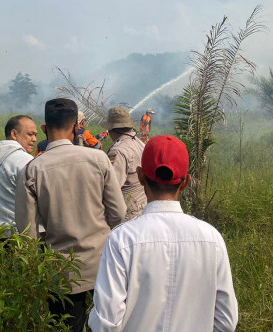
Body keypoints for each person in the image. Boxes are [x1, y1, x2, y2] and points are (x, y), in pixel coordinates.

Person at [89, 135, 239, 332]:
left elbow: (105, 323)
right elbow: (226, 321)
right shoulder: (212, 239)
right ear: (186, 182)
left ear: (141, 176)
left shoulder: (122, 239)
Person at [15, 98, 126, 332]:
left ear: (45, 129)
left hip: (61, 272)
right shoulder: (99, 159)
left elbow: (27, 232)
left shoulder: (32, 169)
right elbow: (119, 213)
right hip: (102, 266)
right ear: (77, 127)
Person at [0, 115, 38, 236]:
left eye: (36, 135)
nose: (34, 139)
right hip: (17, 236)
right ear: (14, 134)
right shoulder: (25, 160)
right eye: (30, 134)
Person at [105, 107, 146, 220]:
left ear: (112, 130)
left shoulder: (118, 151)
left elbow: (112, 187)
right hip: (142, 211)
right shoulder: (140, 144)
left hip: (127, 216)